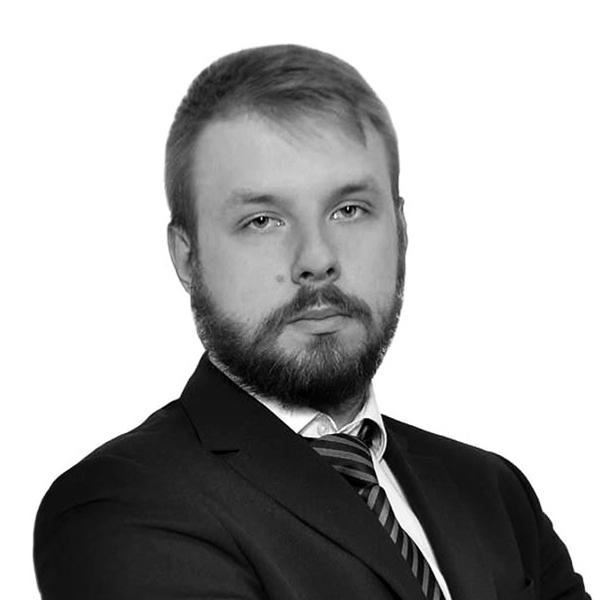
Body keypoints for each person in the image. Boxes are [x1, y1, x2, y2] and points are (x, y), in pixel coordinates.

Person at [33, 44, 590, 600]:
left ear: (401, 230)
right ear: (187, 257)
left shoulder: (492, 492)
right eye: (262, 220)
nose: (317, 258)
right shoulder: (119, 504)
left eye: (349, 210)